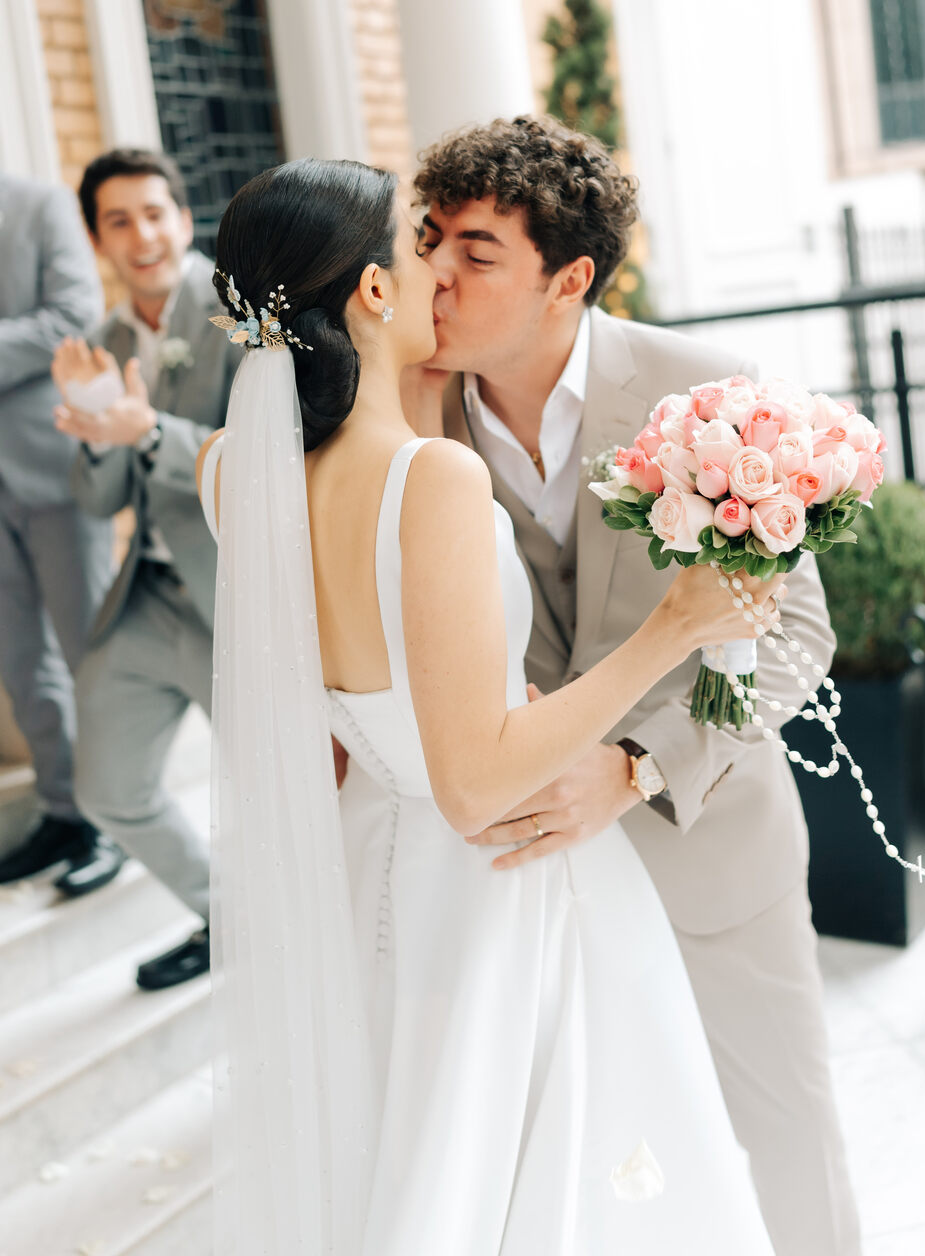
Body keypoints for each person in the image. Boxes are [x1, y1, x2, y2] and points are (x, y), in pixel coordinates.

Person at [199, 157, 779, 1254]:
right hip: (498, 883)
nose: (437, 274)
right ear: (371, 292)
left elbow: (321, 714)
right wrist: (674, 627)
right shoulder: (431, 480)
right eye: (419, 247)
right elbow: (473, 780)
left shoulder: (229, 470)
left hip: (367, 866)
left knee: (406, 1158)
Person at [415, 114, 862, 1256]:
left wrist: (636, 765)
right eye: (430, 239)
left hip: (709, 840)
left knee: (783, 1123)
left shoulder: (703, 391)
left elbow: (794, 628)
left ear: (567, 277)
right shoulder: (417, 416)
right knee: (589, 1156)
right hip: (525, 874)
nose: (436, 274)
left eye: (474, 252)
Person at [51, 147, 236, 988]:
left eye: (154, 213)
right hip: (146, 596)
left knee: (292, 788)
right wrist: (96, 435)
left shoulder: (238, 315)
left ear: (183, 218)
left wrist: (149, 430)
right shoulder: (100, 341)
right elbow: (97, 503)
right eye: (119, 221)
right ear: (98, 239)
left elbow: (267, 463)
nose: (142, 235)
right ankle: (224, 917)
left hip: (236, 596)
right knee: (109, 789)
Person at [0, 91, 118, 890]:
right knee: (22, 664)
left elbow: (75, 313)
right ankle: (63, 813)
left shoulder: (37, 205)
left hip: (53, 463)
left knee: (87, 650)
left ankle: (115, 815)